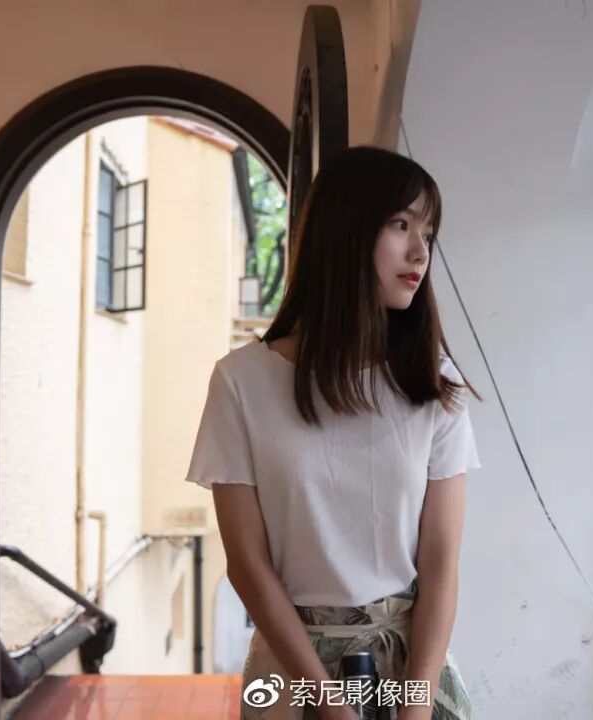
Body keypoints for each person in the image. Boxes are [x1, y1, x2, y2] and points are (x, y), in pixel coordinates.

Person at [185, 145, 482, 720]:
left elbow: (441, 564)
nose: (421, 251)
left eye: (428, 232)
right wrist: (333, 708)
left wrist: (415, 707)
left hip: (412, 670)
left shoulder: (434, 384)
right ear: (344, 230)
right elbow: (248, 566)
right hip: (292, 671)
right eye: (401, 225)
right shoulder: (242, 383)